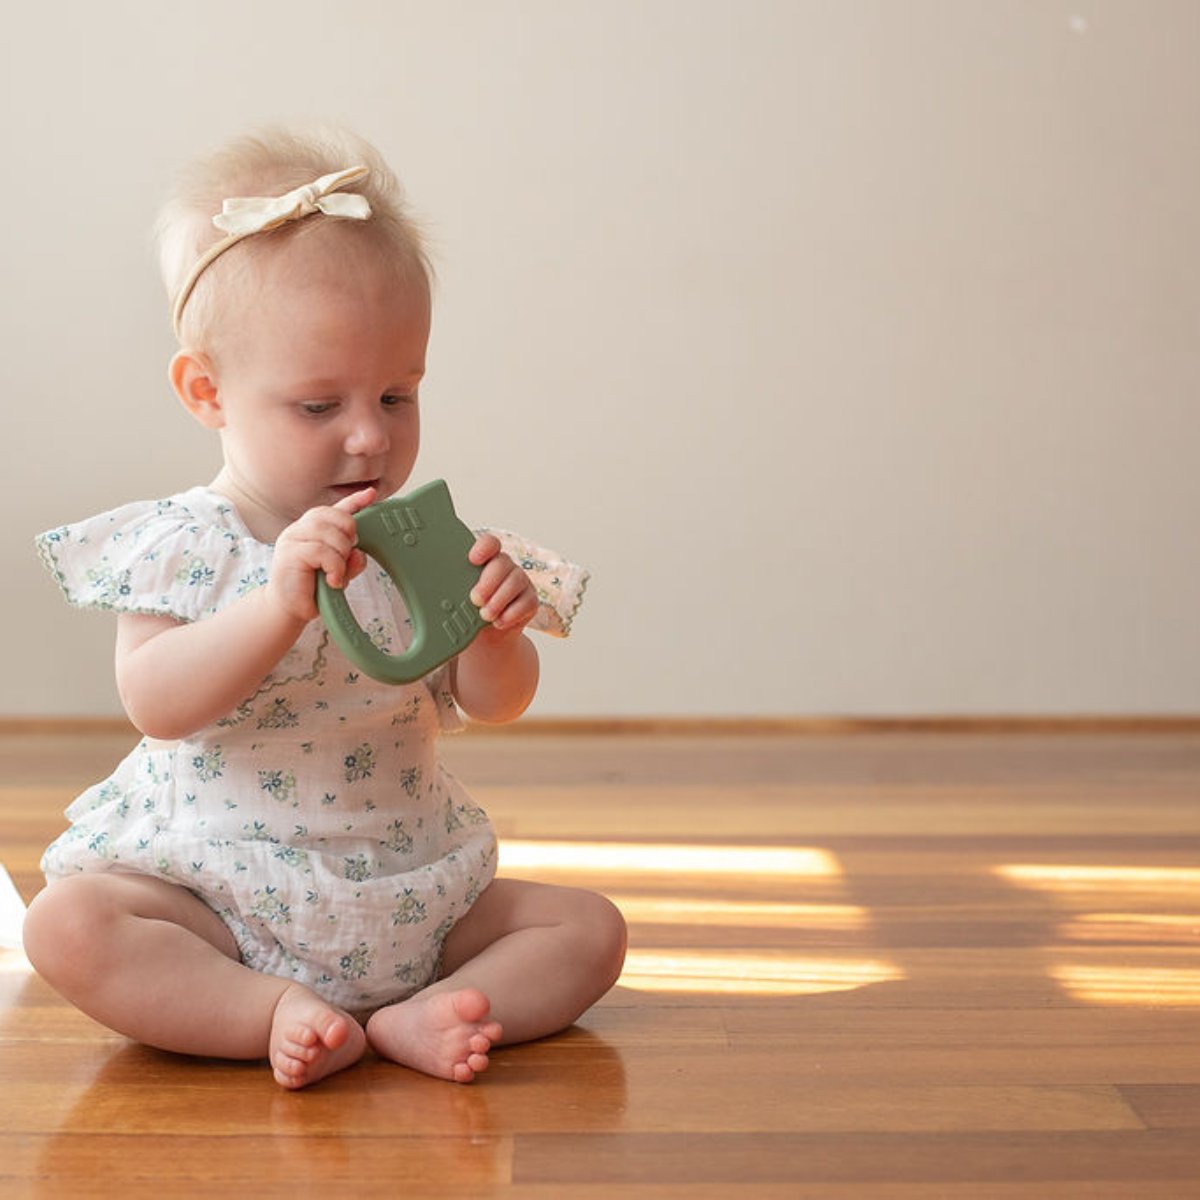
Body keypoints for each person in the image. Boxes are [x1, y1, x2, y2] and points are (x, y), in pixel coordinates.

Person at [23, 126, 627, 1090]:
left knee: (588, 929)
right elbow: (156, 702)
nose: (366, 438)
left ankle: (419, 1012)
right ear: (207, 391)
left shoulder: (421, 546)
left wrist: (496, 629)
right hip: (215, 899)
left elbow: (493, 701)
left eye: (397, 395)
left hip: (410, 888)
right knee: (68, 923)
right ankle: (266, 1009)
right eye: (318, 406)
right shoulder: (181, 543)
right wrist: (276, 606)